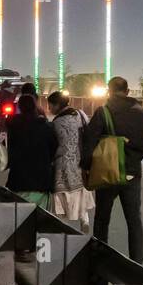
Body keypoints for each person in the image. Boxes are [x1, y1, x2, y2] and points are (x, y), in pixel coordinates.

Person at [81, 76, 143, 263]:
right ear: (128, 91)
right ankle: (137, 264)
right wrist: (133, 158)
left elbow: (89, 144)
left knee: (102, 220)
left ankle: (99, 261)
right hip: (132, 174)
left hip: (107, 174)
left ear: (109, 91)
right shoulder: (142, 113)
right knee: (134, 221)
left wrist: (87, 168)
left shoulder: (103, 112)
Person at [47, 90, 93, 230]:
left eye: (50, 106)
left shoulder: (56, 122)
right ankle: (84, 219)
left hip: (62, 163)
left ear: (57, 105)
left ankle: (61, 226)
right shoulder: (81, 114)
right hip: (81, 162)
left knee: (62, 195)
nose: (49, 109)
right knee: (80, 191)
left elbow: (52, 145)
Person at [2, 94, 57, 207]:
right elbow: (53, 150)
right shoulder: (46, 127)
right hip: (42, 181)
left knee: (19, 216)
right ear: (35, 107)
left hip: (18, 179)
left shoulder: (13, 125)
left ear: (20, 108)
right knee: (39, 218)